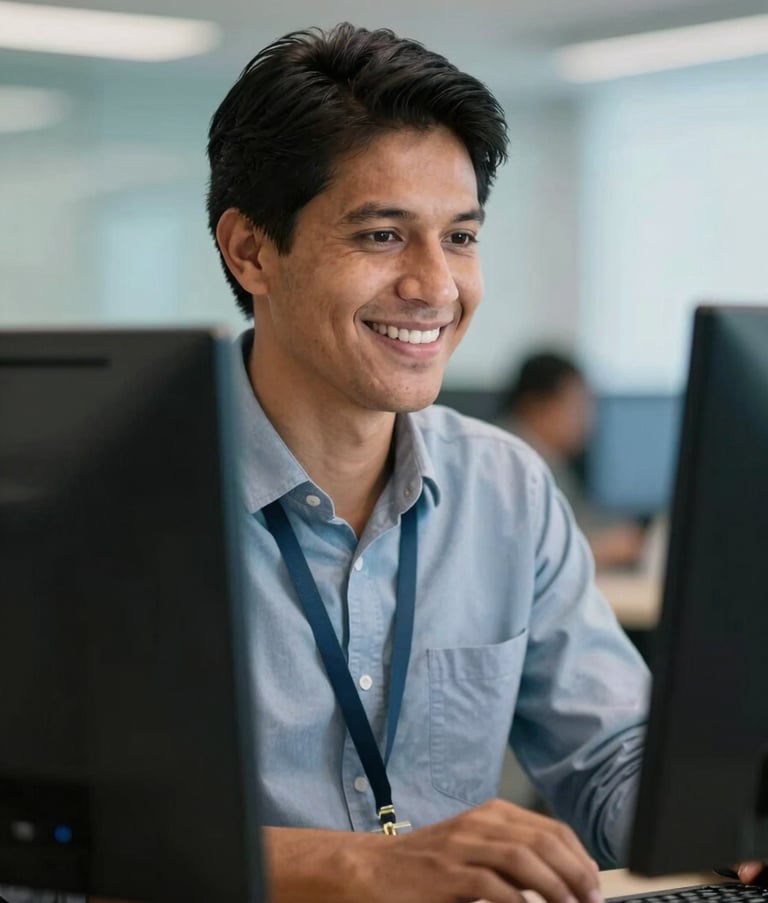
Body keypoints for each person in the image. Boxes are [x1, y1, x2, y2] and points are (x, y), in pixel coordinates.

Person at [207, 23, 649, 903]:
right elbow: (43, 851)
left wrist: (739, 814)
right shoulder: (104, 498)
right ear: (252, 250)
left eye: (460, 237)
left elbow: (611, 757)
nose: (436, 286)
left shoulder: (506, 488)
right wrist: (355, 868)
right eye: (381, 236)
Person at [499, 352, 646, 570]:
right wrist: (603, 549)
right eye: (577, 405)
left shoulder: (552, 460)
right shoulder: (508, 461)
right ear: (537, 407)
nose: (587, 419)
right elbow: (520, 555)